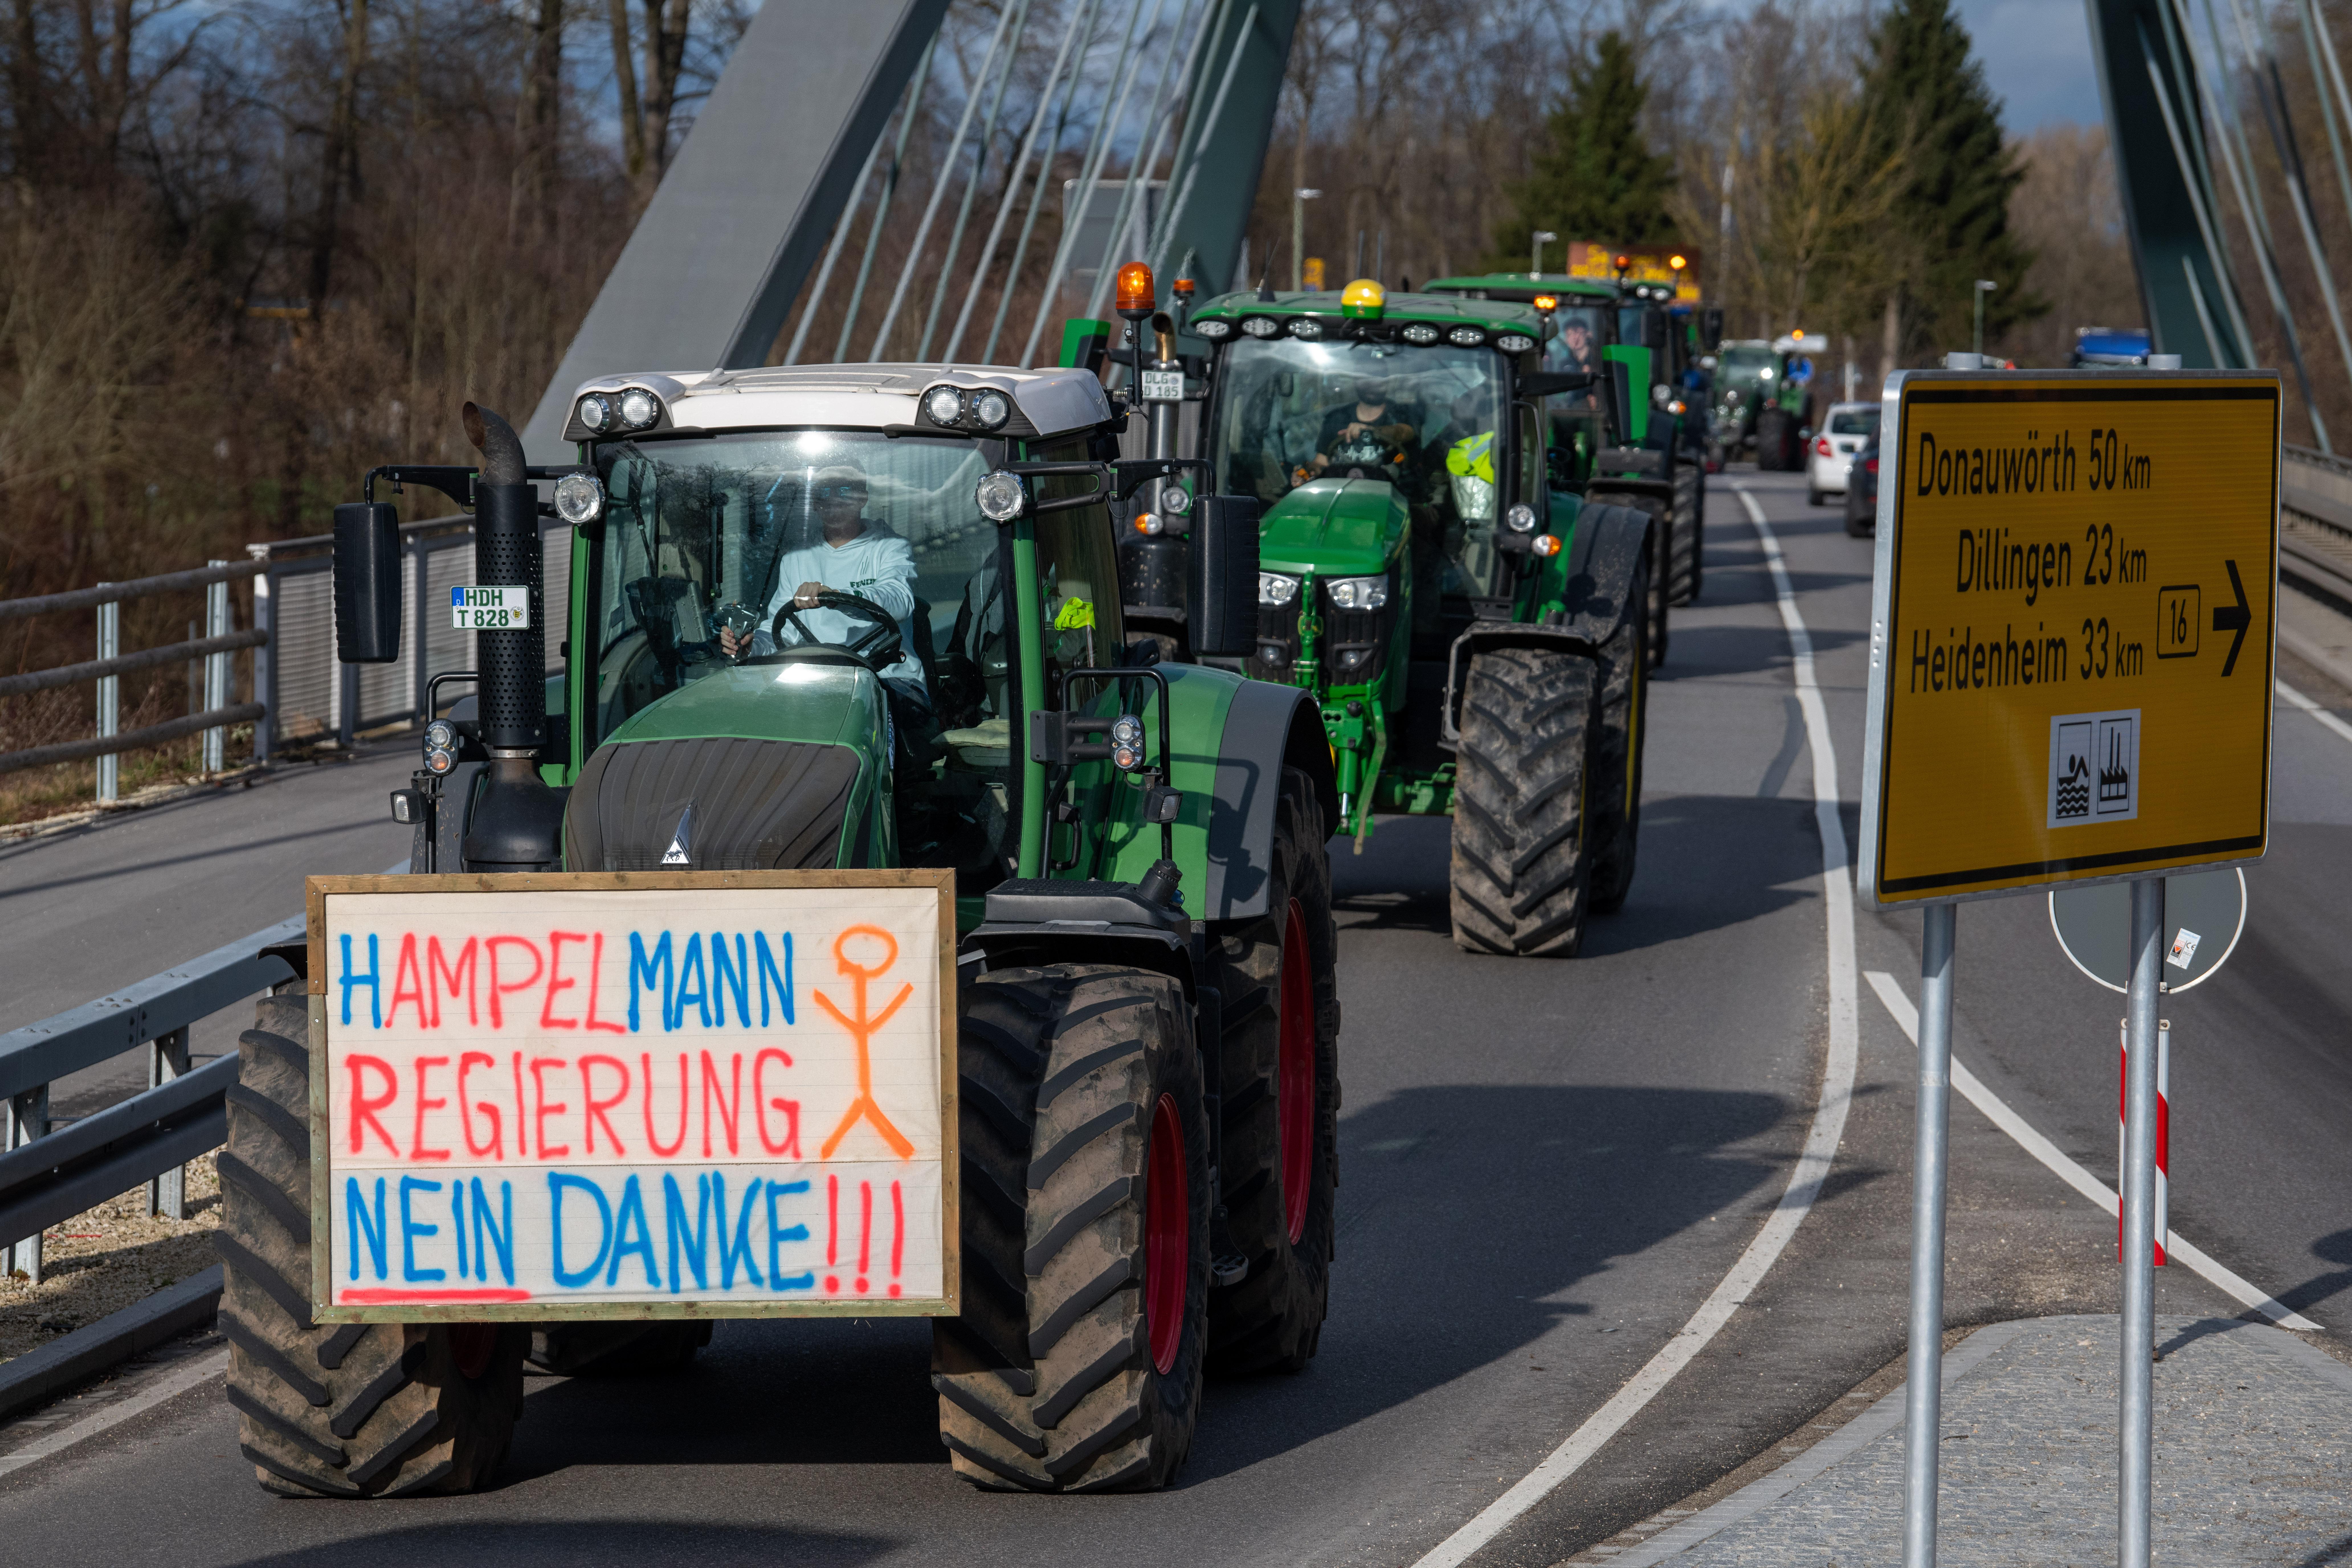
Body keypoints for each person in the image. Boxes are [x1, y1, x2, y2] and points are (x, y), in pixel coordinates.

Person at [717, 460, 932, 720]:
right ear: (815, 503)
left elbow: (900, 601)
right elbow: (780, 632)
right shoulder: (796, 559)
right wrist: (751, 647)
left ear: (862, 498)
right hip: (816, 683)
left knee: (853, 713)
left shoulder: (890, 547)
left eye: (844, 491)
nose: (833, 501)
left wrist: (836, 598)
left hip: (889, 679)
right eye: (824, 494)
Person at [1310, 376, 1420, 478]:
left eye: (1378, 379)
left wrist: (1371, 431)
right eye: (1366, 379)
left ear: (1387, 382)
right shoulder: (1336, 418)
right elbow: (1322, 462)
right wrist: (1310, 473)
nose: (1373, 385)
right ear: (1356, 382)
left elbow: (1405, 432)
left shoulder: (1401, 413)